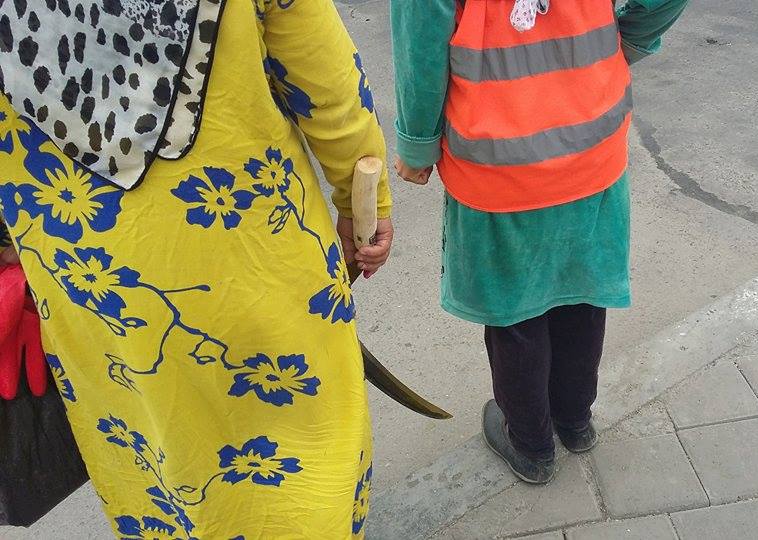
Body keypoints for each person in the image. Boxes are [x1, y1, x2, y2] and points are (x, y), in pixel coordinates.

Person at [0, 0, 391, 537]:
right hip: (260, 260)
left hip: (99, 293)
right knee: (304, 449)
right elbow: (326, 83)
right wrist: (363, 200)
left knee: (159, 447)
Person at [392, 0, 689, 484]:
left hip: (498, 162)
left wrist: (417, 143)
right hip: (591, 143)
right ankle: (574, 421)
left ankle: (530, 444)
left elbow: (422, 43)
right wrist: (626, 41)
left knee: (514, 309)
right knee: (582, 289)